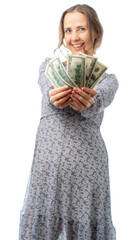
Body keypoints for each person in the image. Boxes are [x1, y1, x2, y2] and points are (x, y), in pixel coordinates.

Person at [19, 4, 118, 240]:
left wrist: (89, 102)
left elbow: (100, 99)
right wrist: (54, 94)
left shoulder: (109, 80)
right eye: (68, 30)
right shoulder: (48, 68)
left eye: (81, 28)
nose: (74, 37)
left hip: (88, 170)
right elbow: (47, 89)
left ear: (95, 32)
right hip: (48, 169)